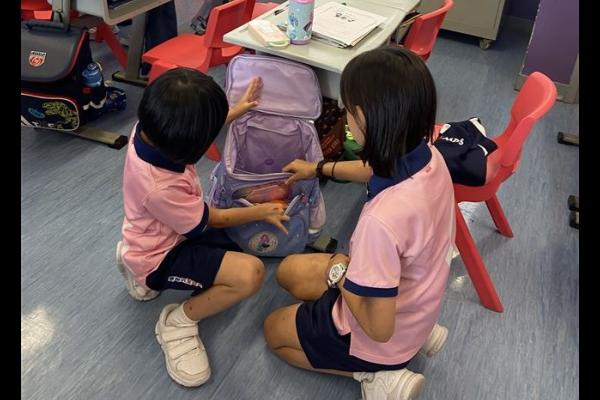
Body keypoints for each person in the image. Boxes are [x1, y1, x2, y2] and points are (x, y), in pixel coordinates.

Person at [263, 47, 456, 400]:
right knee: (289, 272)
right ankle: (418, 334)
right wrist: (317, 168)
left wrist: (340, 273)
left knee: (274, 332)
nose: (344, 116)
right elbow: (372, 168)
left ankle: (375, 374)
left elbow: (379, 329)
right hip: (417, 302)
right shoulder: (430, 157)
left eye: (347, 110)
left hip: (383, 333)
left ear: (363, 119)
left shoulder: (381, 221)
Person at [116, 68, 289, 387]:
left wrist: (235, 111)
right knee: (249, 274)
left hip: (160, 229)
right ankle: (177, 321)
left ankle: (131, 256)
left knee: (236, 247)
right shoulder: (160, 186)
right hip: (160, 254)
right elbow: (213, 219)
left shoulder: (150, 128)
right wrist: (260, 211)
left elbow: (186, 131)